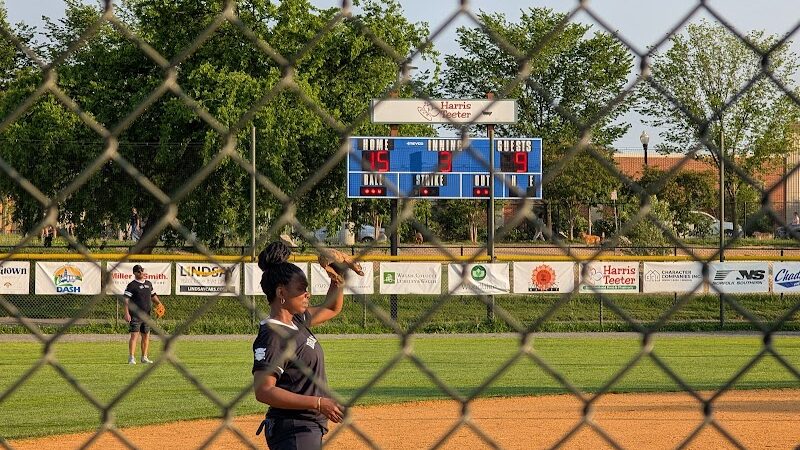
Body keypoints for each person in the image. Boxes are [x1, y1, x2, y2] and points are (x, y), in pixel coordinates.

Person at [252, 242, 345, 449]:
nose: (307, 294)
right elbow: (263, 390)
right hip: (293, 430)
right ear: (281, 293)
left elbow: (332, 307)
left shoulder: (297, 320)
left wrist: (337, 275)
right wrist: (318, 403)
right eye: (301, 289)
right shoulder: (273, 336)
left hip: (306, 427)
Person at [123, 264, 162, 364]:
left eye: (142, 271)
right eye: (139, 271)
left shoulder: (148, 283)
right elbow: (126, 300)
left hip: (147, 315)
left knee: (146, 336)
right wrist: (127, 313)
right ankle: (131, 357)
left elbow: (153, 296)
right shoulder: (132, 285)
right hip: (135, 315)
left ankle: (144, 357)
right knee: (134, 336)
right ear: (134, 273)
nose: (141, 273)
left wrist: (159, 303)